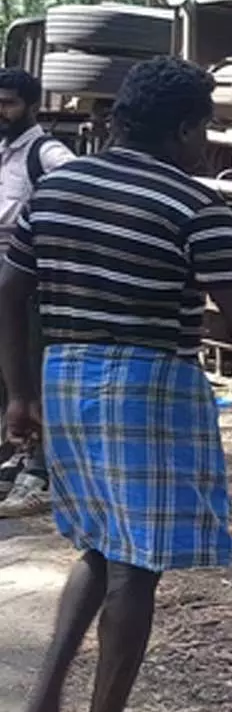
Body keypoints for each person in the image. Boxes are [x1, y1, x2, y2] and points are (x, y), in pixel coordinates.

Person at [0, 57, 232, 712]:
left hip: (66, 375)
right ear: (182, 128)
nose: (206, 142)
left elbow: (8, 290)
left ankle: (43, 698)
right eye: (204, 128)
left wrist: (19, 392)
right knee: (138, 564)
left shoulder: (56, 190)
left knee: (99, 544)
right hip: (146, 385)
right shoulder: (194, 204)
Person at [0, 68, 73, 518]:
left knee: (35, 368)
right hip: (4, 276)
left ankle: (42, 472)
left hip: (29, 276)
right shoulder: (4, 151)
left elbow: (74, 191)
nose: (0, 111)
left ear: (33, 106)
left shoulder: (48, 153)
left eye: (8, 103)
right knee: (10, 373)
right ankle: (19, 456)